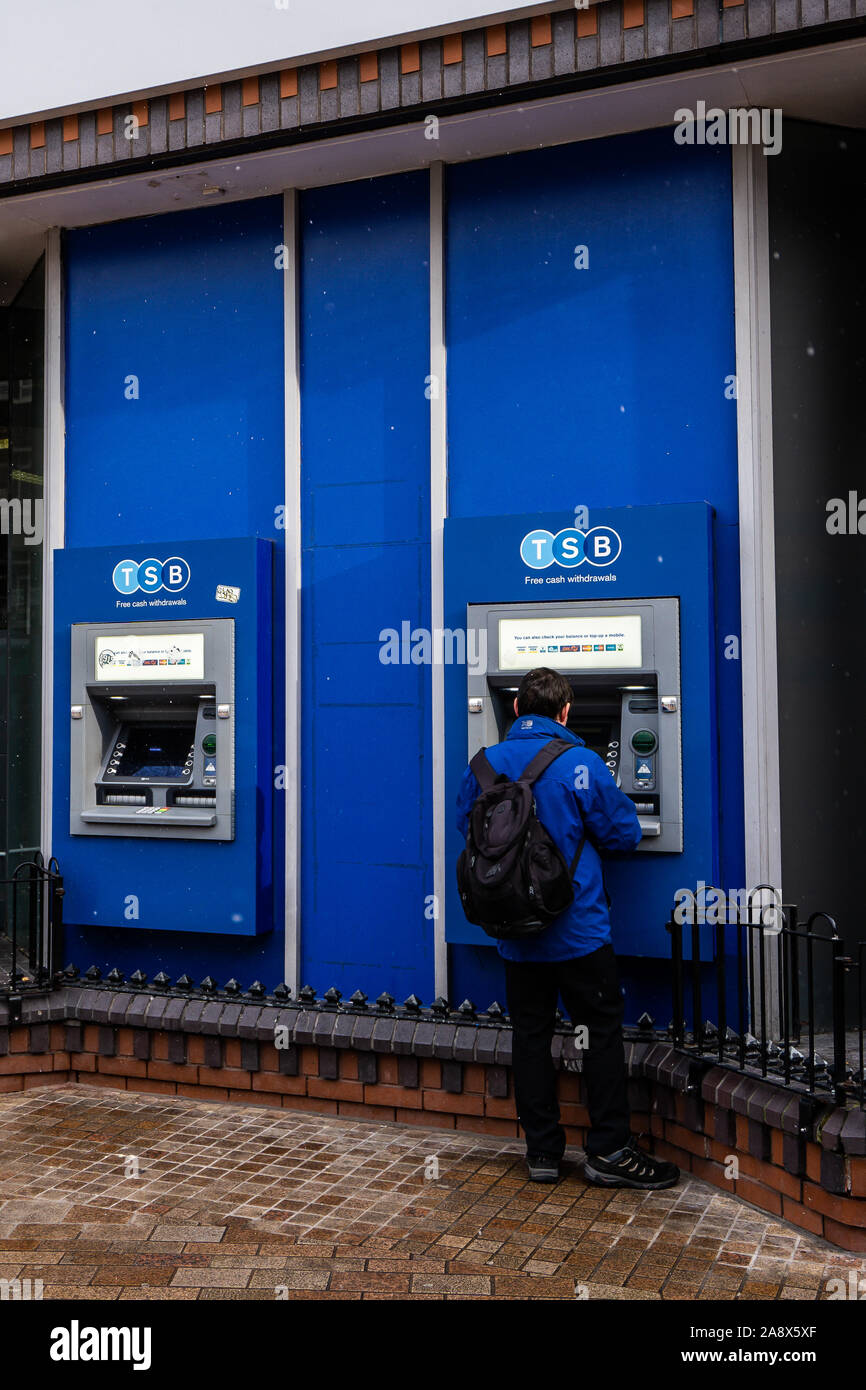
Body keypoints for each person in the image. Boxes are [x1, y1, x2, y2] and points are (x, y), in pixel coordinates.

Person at [456, 666, 680, 1190]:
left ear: (514, 709)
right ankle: (608, 1151)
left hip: (514, 931)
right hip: (577, 930)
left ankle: (542, 1152)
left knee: (529, 1035)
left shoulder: (482, 764)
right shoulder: (580, 761)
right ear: (565, 712)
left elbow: (468, 831)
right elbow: (623, 832)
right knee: (599, 1034)